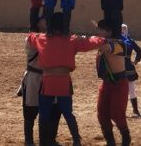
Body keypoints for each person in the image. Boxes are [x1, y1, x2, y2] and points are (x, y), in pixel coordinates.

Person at [27, 12, 107, 146]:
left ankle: (42, 142)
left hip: (47, 81)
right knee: (68, 113)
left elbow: (30, 37)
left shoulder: (41, 38)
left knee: (44, 114)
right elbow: (90, 42)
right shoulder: (72, 40)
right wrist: (103, 38)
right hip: (63, 81)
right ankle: (76, 141)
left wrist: (35, 24)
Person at [21, 17, 62, 146]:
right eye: (44, 20)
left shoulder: (55, 37)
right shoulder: (32, 38)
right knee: (30, 109)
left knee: (55, 109)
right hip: (35, 77)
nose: (47, 22)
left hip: (51, 77)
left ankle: (51, 139)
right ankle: (29, 140)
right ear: (38, 23)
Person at [95, 19, 131, 146]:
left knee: (117, 114)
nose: (98, 32)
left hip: (119, 84)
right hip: (106, 84)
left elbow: (106, 47)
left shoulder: (118, 44)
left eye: (101, 30)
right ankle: (110, 142)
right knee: (102, 114)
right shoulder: (104, 41)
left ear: (109, 32)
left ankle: (126, 138)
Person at [121, 23, 141, 117]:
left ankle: (135, 110)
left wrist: (136, 61)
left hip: (125, 67)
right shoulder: (119, 40)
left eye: (124, 28)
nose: (123, 30)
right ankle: (122, 111)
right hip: (120, 66)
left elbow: (139, 51)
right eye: (122, 28)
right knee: (122, 90)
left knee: (131, 89)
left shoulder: (128, 41)